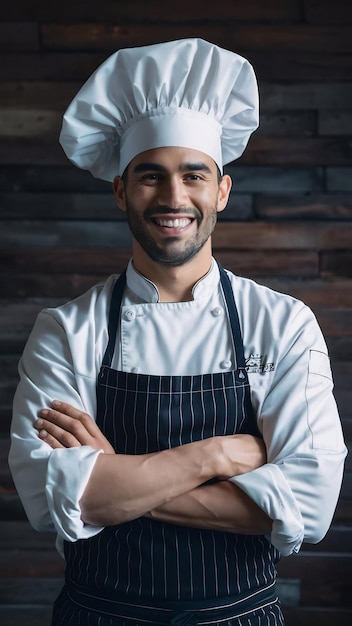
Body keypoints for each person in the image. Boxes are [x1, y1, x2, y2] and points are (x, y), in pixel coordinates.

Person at [9, 38, 347, 626]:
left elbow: (309, 506)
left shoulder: (283, 325)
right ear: (120, 190)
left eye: (194, 175)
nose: (173, 197)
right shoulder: (65, 332)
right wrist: (216, 455)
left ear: (221, 191)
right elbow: (52, 497)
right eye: (150, 176)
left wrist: (117, 480)